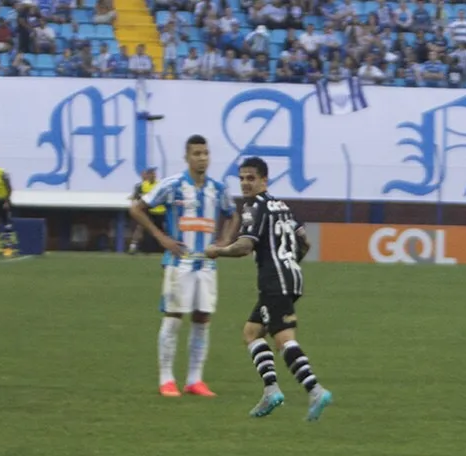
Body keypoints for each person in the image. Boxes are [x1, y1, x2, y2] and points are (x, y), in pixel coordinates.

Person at [204, 156, 333, 422]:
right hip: (291, 277)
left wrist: (218, 251)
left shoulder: (254, 207)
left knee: (284, 340)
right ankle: (271, 390)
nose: (245, 184)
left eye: (251, 178)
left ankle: (315, 390)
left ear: (264, 179)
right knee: (252, 332)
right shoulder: (282, 206)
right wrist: (290, 263)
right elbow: (305, 242)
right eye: (241, 178)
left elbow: (245, 246)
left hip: (275, 281)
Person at [129, 135, 237, 399]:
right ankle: (167, 379)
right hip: (180, 263)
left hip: (207, 265)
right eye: (197, 153)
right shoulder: (173, 185)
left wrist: (224, 240)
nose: (202, 158)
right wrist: (161, 237)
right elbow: (137, 208)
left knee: (202, 319)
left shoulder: (218, 188)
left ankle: (194, 380)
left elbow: (232, 214)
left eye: (205, 153)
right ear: (187, 157)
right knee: (174, 318)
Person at [128, 167, 166, 255]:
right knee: (142, 228)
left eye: (154, 173)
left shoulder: (160, 184)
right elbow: (136, 198)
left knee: (165, 230)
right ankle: (134, 247)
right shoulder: (142, 185)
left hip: (161, 211)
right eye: (151, 173)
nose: (153, 175)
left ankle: (167, 248)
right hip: (149, 211)